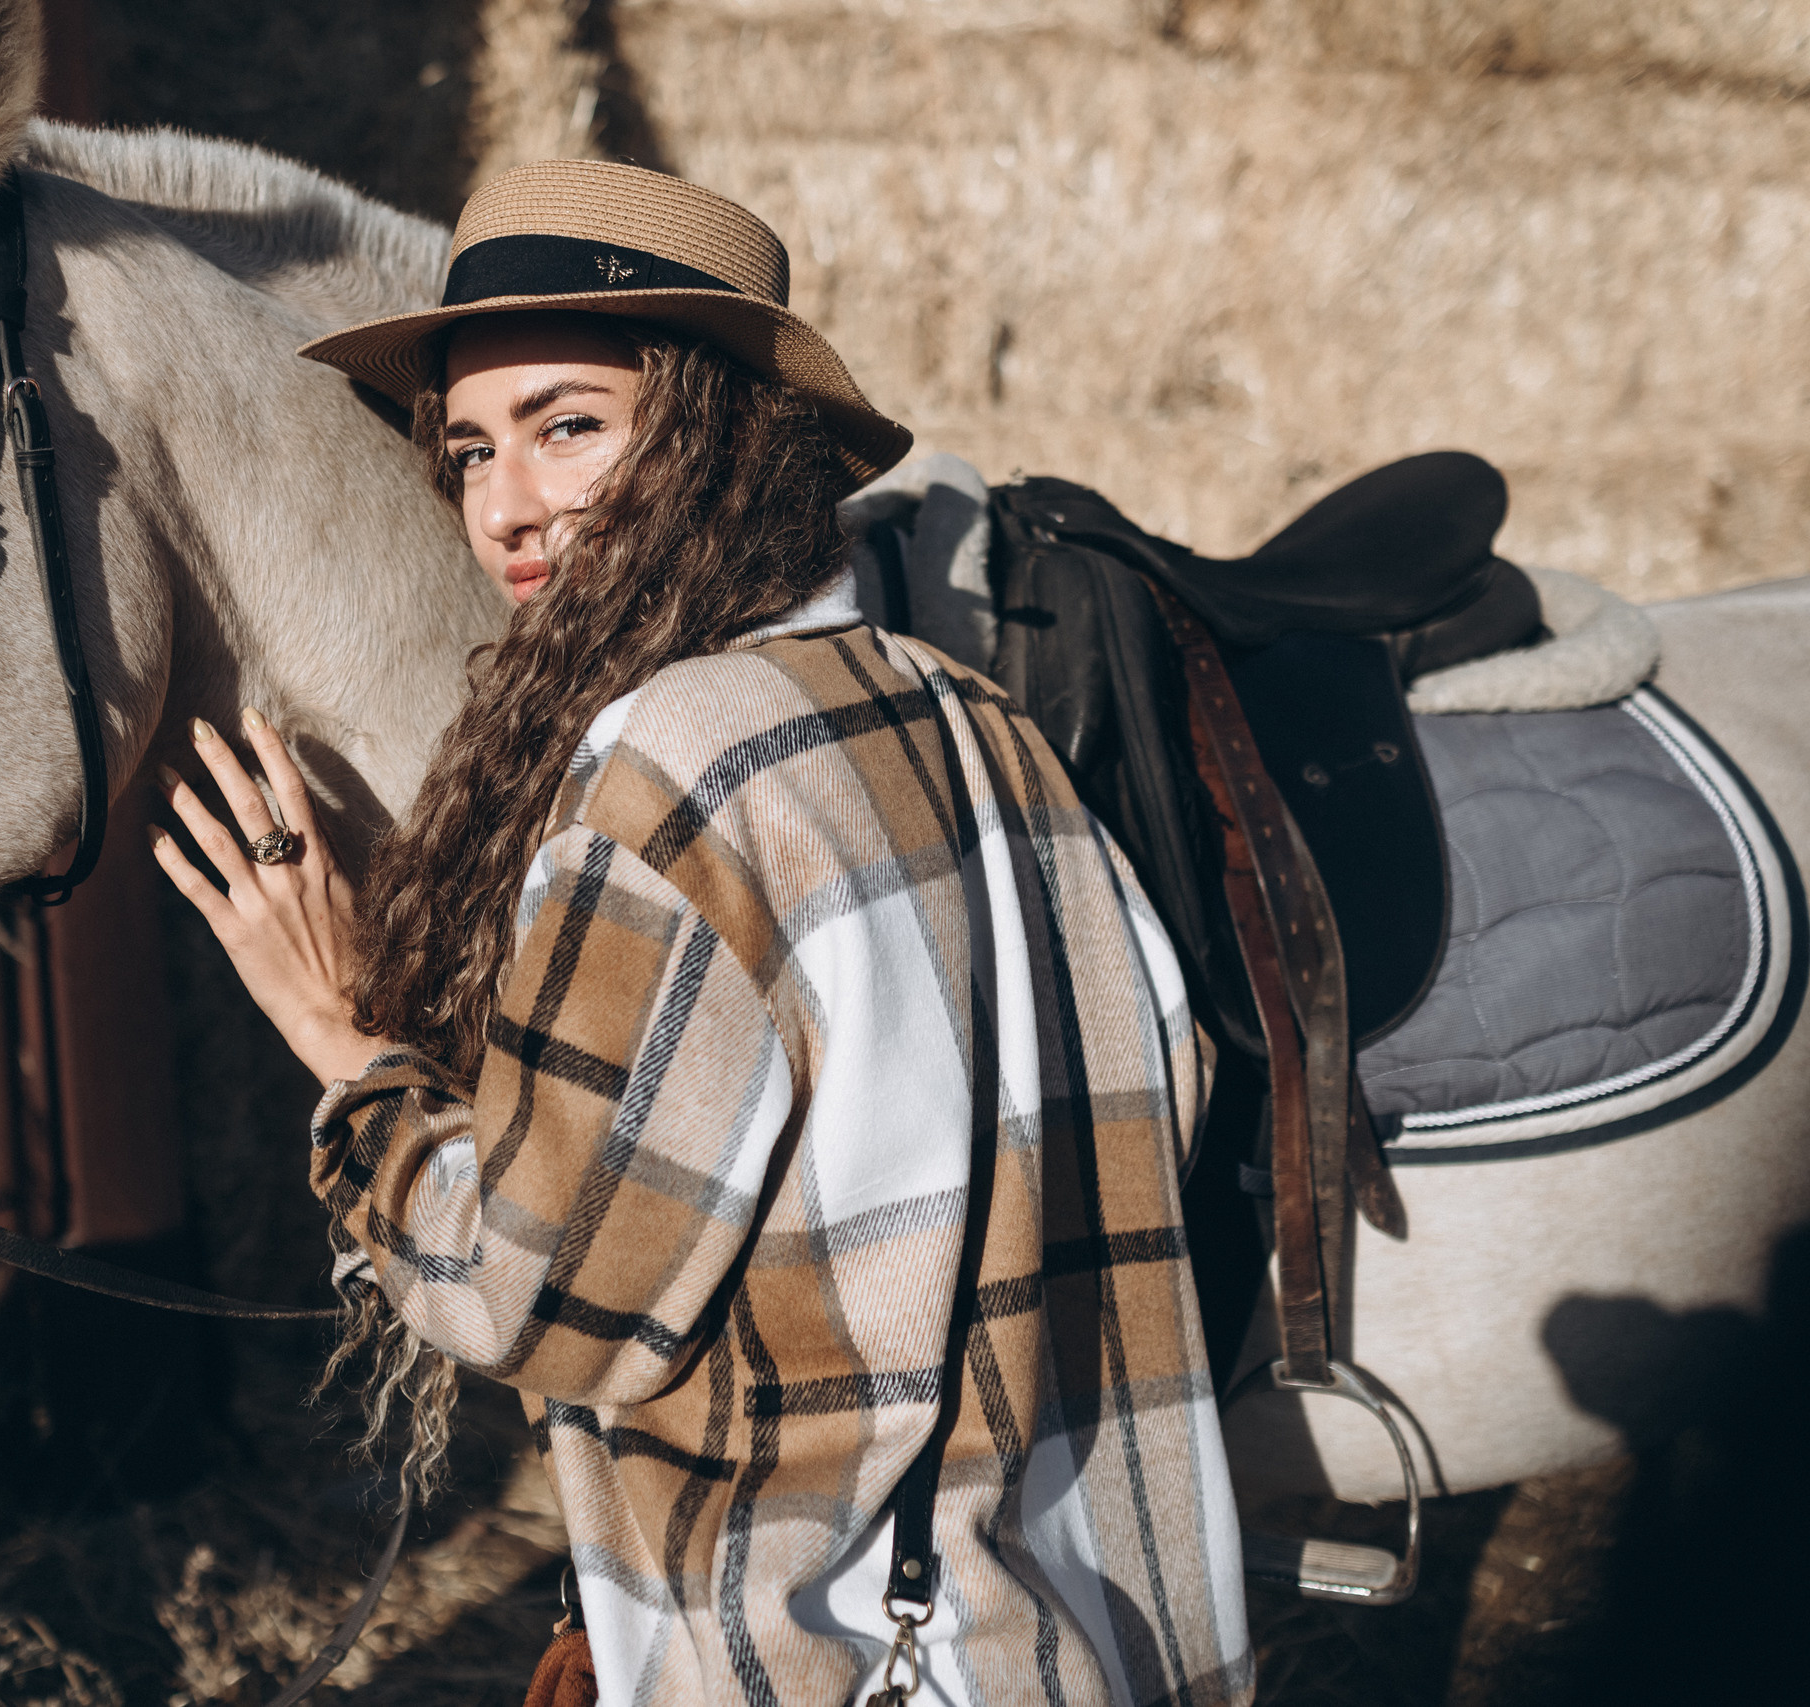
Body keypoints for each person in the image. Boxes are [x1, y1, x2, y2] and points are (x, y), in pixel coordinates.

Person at [149, 160, 1250, 1707]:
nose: (503, 506)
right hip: (1087, 1639)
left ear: (722, 434)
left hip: (845, 1660)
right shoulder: (974, 714)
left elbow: (538, 1301)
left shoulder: (678, 765)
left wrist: (343, 1040)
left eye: (568, 426)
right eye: (468, 448)